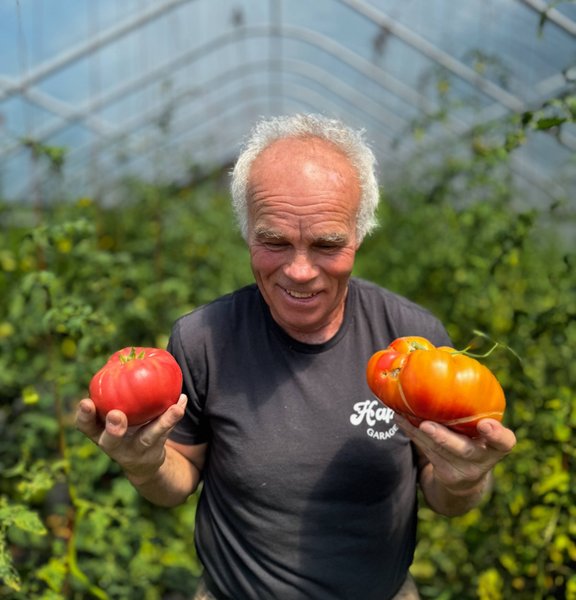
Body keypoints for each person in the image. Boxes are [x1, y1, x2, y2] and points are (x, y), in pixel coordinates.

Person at [76, 113, 516, 600]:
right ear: (247, 233)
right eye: (274, 242)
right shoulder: (203, 339)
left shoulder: (415, 344)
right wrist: (142, 464)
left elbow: (443, 494)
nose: (300, 271)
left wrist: (466, 480)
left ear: (360, 234)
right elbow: (177, 482)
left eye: (327, 244)